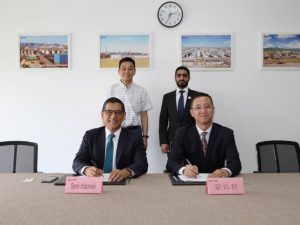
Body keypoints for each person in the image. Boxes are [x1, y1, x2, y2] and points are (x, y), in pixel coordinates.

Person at [72, 97, 148, 181]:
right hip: (96, 182)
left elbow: (142, 163)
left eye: (118, 112)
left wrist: (126, 172)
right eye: (109, 112)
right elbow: (78, 161)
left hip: (123, 183)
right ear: (102, 115)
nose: (113, 116)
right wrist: (86, 170)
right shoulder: (90, 136)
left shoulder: (134, 137)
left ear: (124, 116)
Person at [166, 93, 242, 178]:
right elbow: (171, 163)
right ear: (192, 112)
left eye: (207, 107)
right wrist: (183, 170)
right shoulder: (182, 133)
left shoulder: (226, 133)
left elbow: (235, 163)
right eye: (198, 107)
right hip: (190, 183)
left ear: (213, 109)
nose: (203, 111)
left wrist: (226, 171)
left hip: (216, 182)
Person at [107, 57, 153, 149]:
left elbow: (144, 116)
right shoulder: (111, 89)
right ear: (119, 71)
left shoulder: (141, 90)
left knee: (138, 160)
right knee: (117, 161)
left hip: (135, 132)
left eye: (130, 69)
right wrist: (106, 134)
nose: (127, 71)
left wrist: (145, 137)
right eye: (123, 69)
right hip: (116, 130)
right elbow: (106, 114)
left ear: (134, 71)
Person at [159, 66, 204, 154]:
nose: (181, 78)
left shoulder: (197, 96)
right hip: (172, 140)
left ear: (189, 78)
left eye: (184, 75)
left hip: (193, 139)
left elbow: (201, 119)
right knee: (174, 166)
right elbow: (163, 121)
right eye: (179, 75)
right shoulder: (167, 97)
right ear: (175, 77)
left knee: (192, 167)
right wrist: (163, 141)